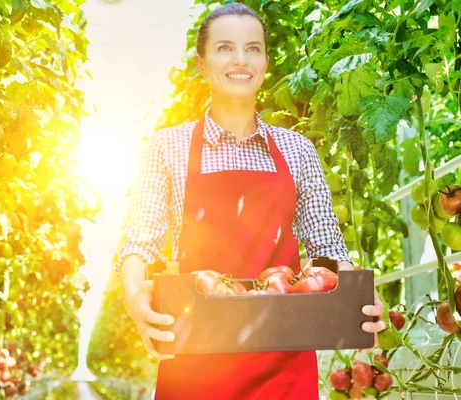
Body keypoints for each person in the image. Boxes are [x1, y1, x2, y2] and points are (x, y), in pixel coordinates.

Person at [117, 3, 386, 399]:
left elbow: (326, 246)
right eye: (224, 48)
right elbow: (141, 240)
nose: (240, 60)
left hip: (284, 359)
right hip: (196, 359)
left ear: (264, 61)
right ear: (201, 63)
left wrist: (358, 296)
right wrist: (133, 297)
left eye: (253, 48)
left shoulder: (296, 149)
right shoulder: (167, 146)